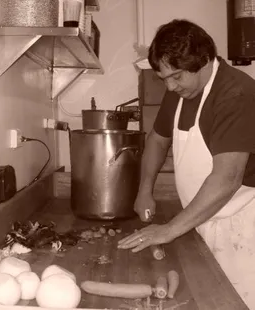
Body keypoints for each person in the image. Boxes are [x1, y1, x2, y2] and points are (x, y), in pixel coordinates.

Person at [118, 19, 255, 308]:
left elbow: (227, 179)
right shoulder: (180, 91)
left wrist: (168, 230)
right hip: (202, 217)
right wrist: (145, 190)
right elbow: (157, 139)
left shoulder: (235, 94)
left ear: (203, 60)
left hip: (243, 225)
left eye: (177, 76)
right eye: (163, 78)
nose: (170, 86)